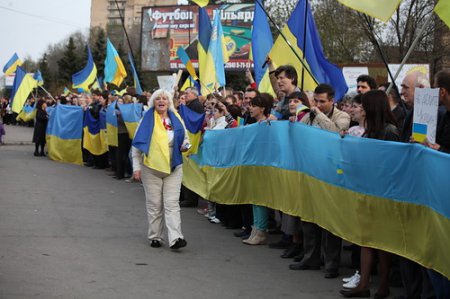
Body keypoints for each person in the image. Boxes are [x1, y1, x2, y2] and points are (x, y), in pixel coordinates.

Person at [340, 90, 400, 299]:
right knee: (367, 240)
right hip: (367, 191)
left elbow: (392, 164)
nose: (361, 110)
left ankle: (383, 286)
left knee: (382, 243)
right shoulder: (368, 131)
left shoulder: (389, 131)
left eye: (364, 106)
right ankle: (364, 284)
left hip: (382, 194)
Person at [290, 84, 350, 279]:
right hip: (311, 171)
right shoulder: (310, 115)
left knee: (330, 221)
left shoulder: (342, 116)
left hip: (332, 174)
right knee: (309, 217)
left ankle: (331, 263)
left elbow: (335, 133)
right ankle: (311, 257)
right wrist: (295, 123)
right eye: (315, 101)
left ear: (332, 100)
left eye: (322, 102)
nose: (318, 105)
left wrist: (320, 115)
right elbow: (301, 133)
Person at [131, 89, 190, 250]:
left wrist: (185, 146)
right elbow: (136, 147)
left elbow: (186, 139)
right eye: (158, 99)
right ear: (154, 102)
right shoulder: (146, 120)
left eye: (164, 98)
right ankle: (155, 236)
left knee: (171, 204)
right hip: (151, 168)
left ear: (169, 102)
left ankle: (176, 238)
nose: (161, 101)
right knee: (155, 204)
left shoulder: (176, 118)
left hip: (174, 166)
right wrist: (136, 168)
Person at [242, 93, 273, 245]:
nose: (250, 108)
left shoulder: (268, 123)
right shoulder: (255, 124)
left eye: (254, 106)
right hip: (254, 163)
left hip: (263, 165)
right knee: (254, 198)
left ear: (262, 108)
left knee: (260, 198)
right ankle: (256, 229)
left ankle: (261, 230)